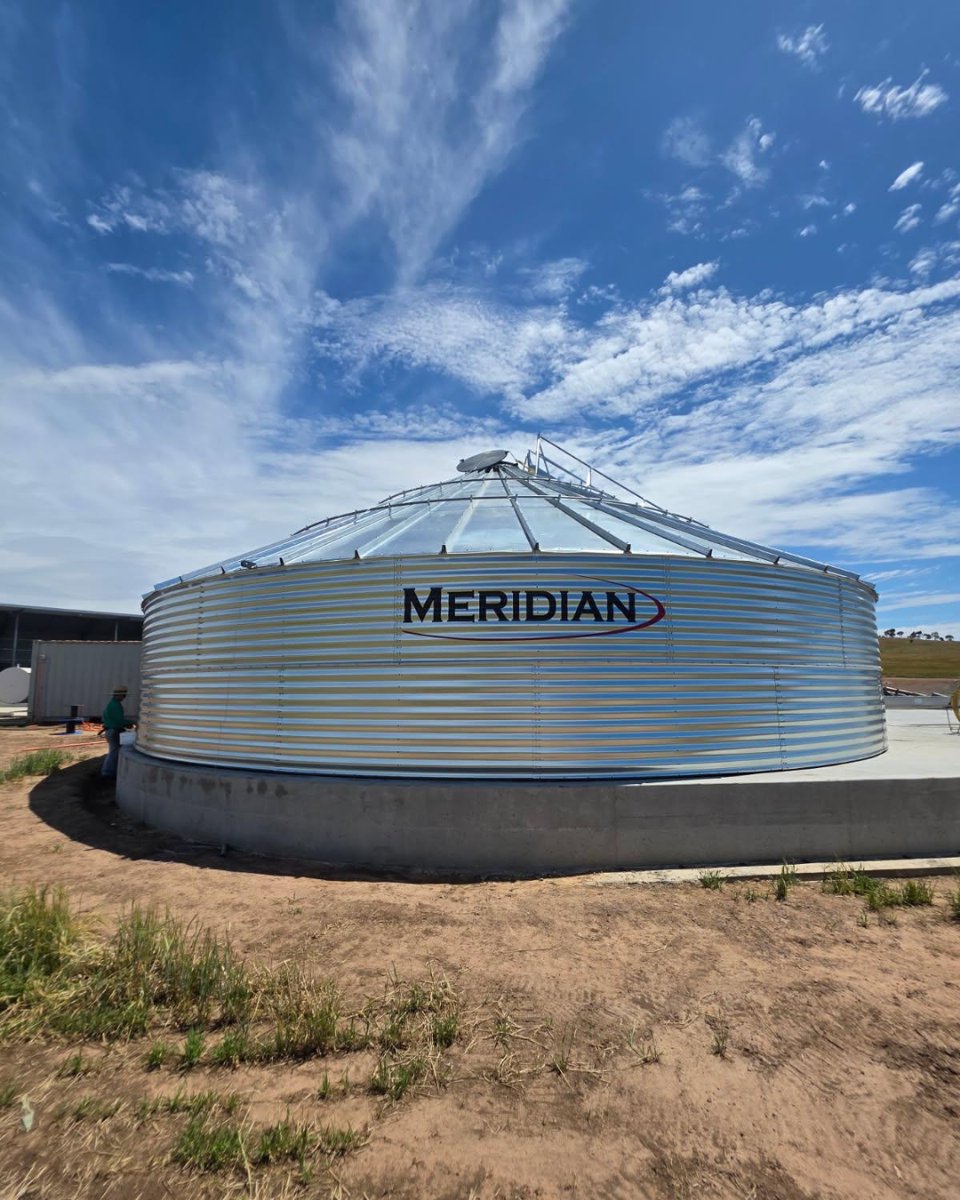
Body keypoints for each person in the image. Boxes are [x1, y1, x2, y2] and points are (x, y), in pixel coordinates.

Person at [100, 685, 133, 779]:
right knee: (114, 752)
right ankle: (107, 773)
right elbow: (119, 721)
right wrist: (132, 722)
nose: (124, 698)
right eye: (123, 695)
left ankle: (108, 772)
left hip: (110, 730)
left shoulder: (111, 703)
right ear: (118, 695)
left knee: (113, 751)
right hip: (114, 731)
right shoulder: (115, 705)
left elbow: (109, 719)